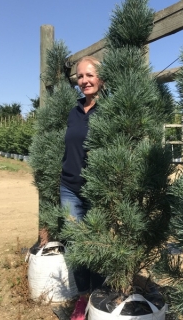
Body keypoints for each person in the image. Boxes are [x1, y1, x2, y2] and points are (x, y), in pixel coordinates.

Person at [60, 55, 104, 320]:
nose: (85, 80)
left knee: (97, 244)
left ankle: (98, 297)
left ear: (101, 77)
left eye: (90, 75)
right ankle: (82, 299)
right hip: (69, 188)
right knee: (75, 246)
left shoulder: (110, 110)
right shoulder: (74, 111)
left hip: (97, 190)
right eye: (80, 76)